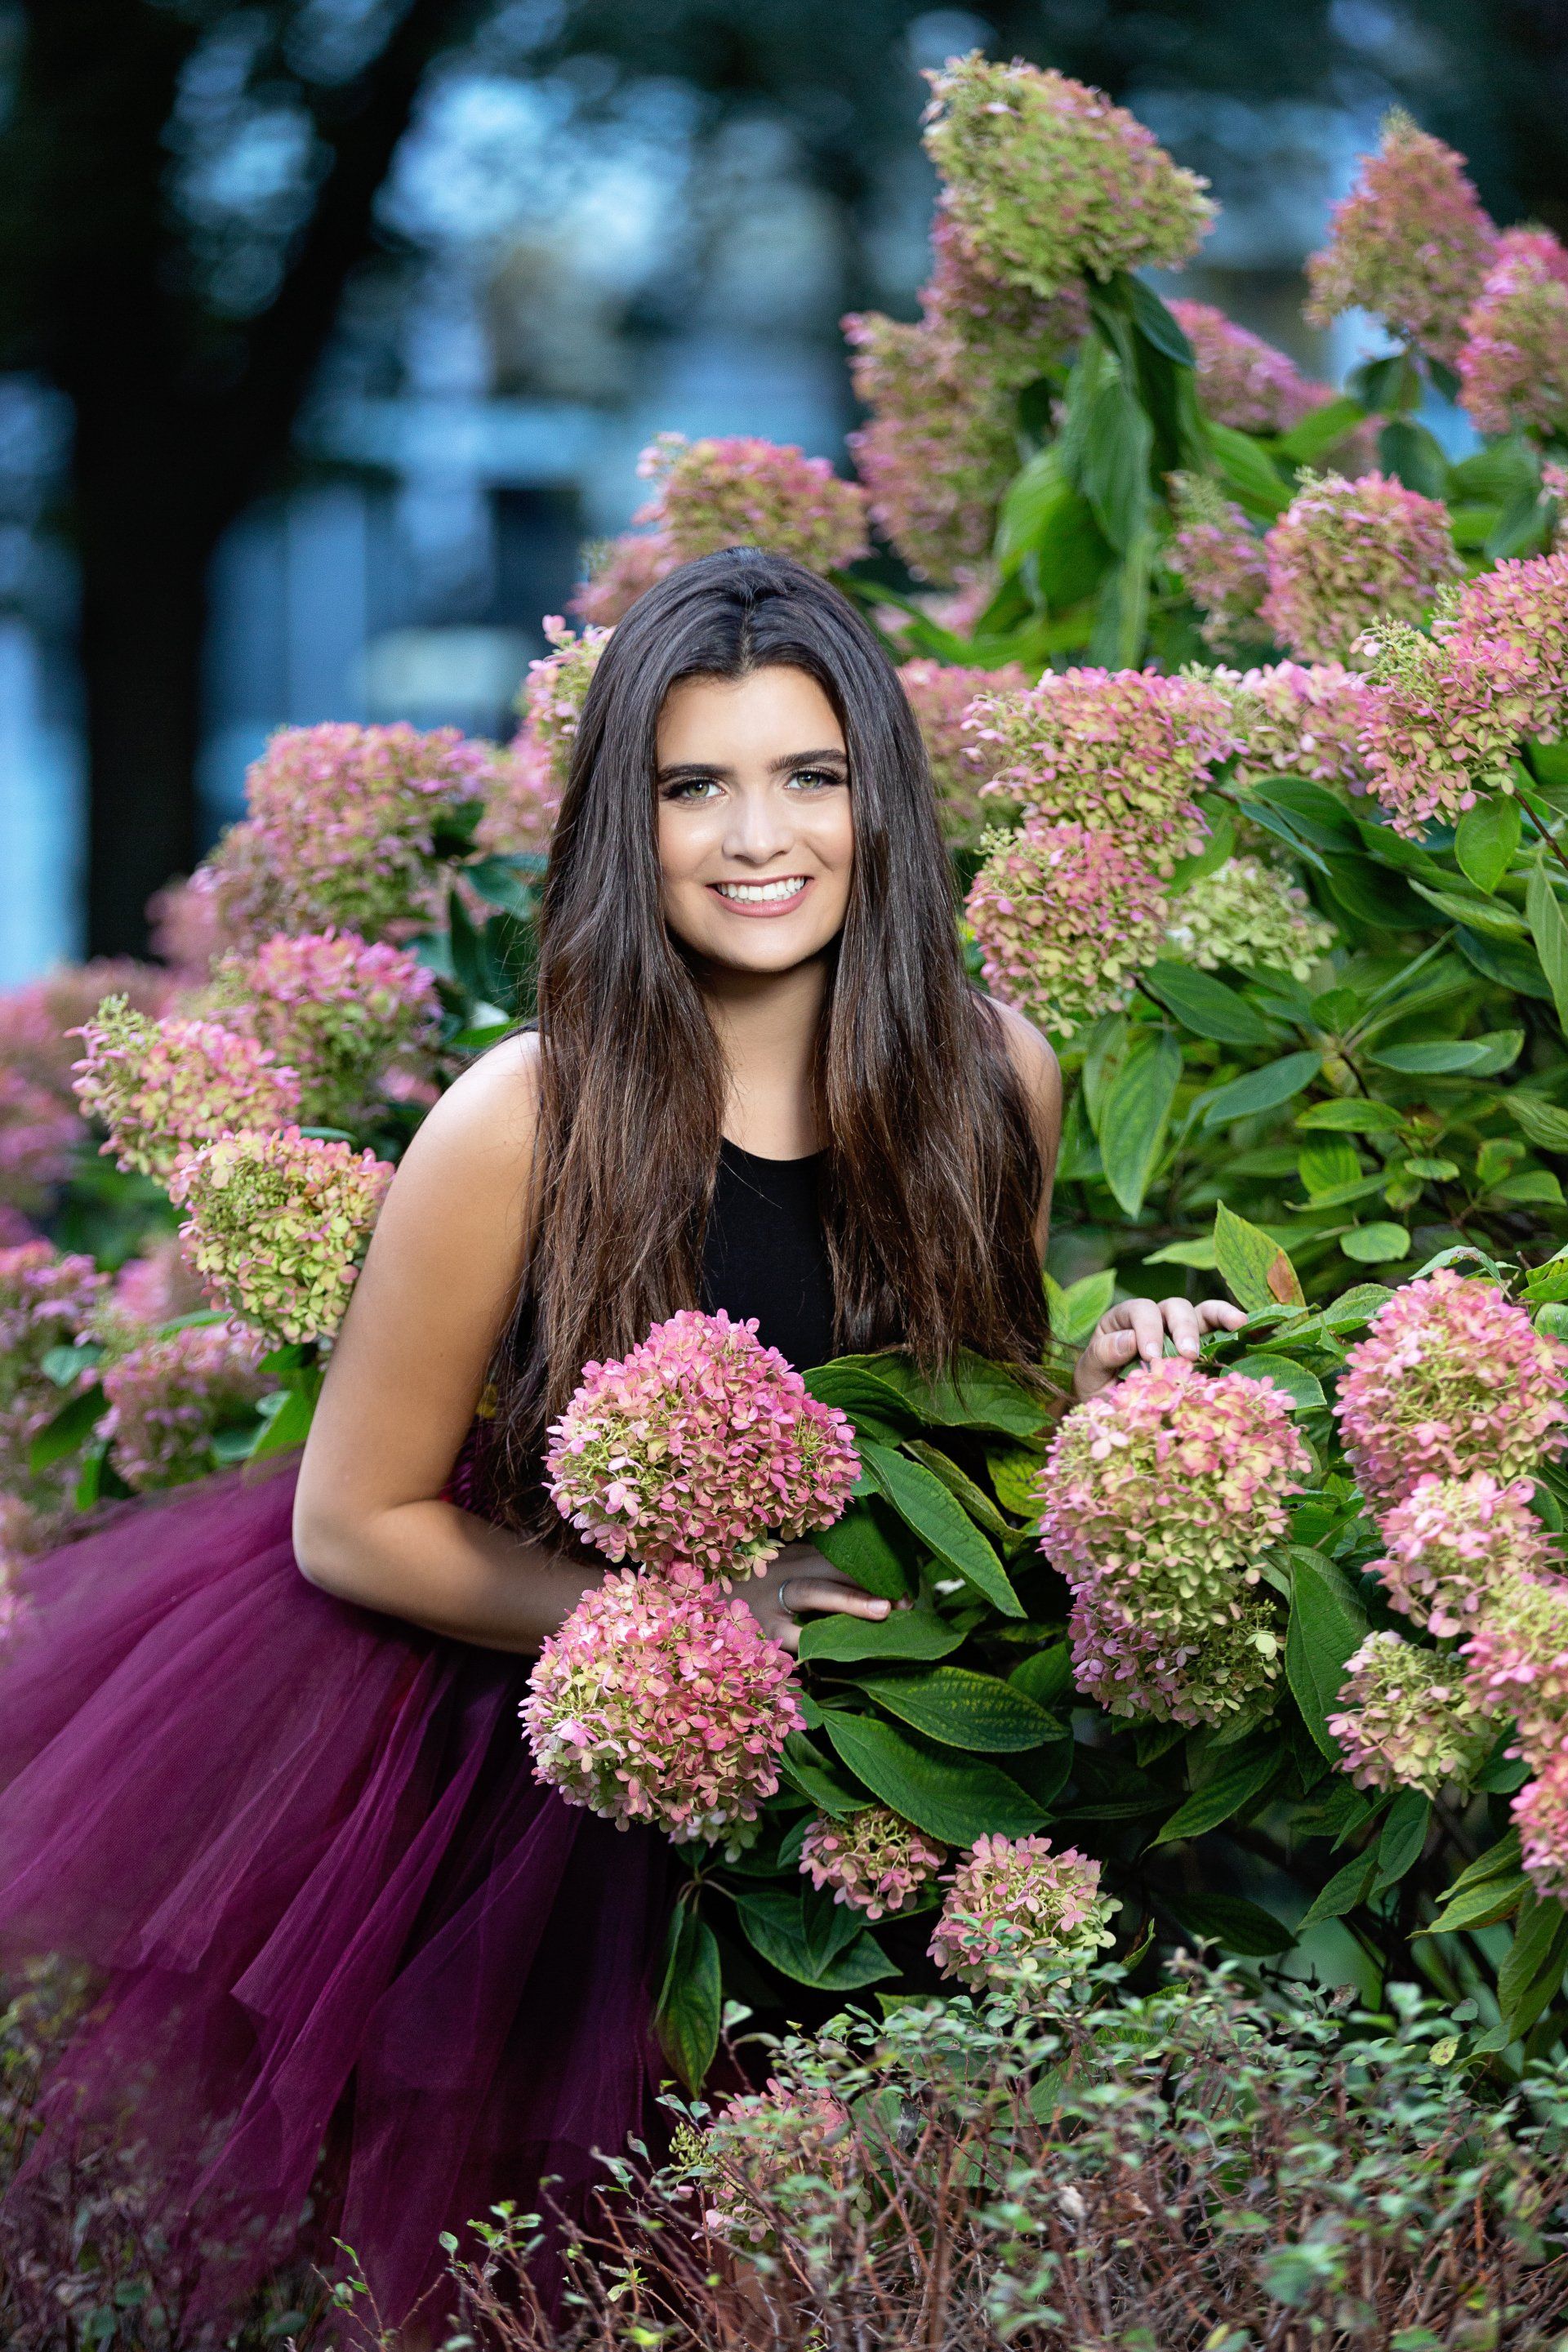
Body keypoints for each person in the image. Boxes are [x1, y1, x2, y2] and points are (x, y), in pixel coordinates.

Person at [0, 549, 1242, 2337]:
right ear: (621, 824)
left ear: (881, 804)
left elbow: (954, 1427)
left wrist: (1112, 1402)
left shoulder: (994, 1076)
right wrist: (673, 1631)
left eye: (811, 777)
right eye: (696, 786)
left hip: (855, 1768)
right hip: (530, 1788)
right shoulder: (525, 1114)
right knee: (574, 2270)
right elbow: (351, 1525)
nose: (761, 836)